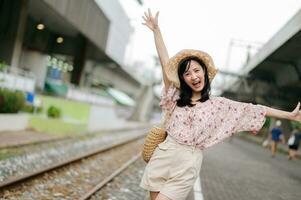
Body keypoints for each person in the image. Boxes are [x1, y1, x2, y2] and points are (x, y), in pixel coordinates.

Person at [140, 9, 301, 200]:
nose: (193, 76)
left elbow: (254, 109)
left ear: (204, 74)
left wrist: (289, 115)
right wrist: (156, 30)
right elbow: (165, 63)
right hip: (164, 154)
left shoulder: (218, 105)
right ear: (183, 78)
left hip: (187, 162)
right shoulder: (174, 96)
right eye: (187, 73)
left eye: (196, 71)